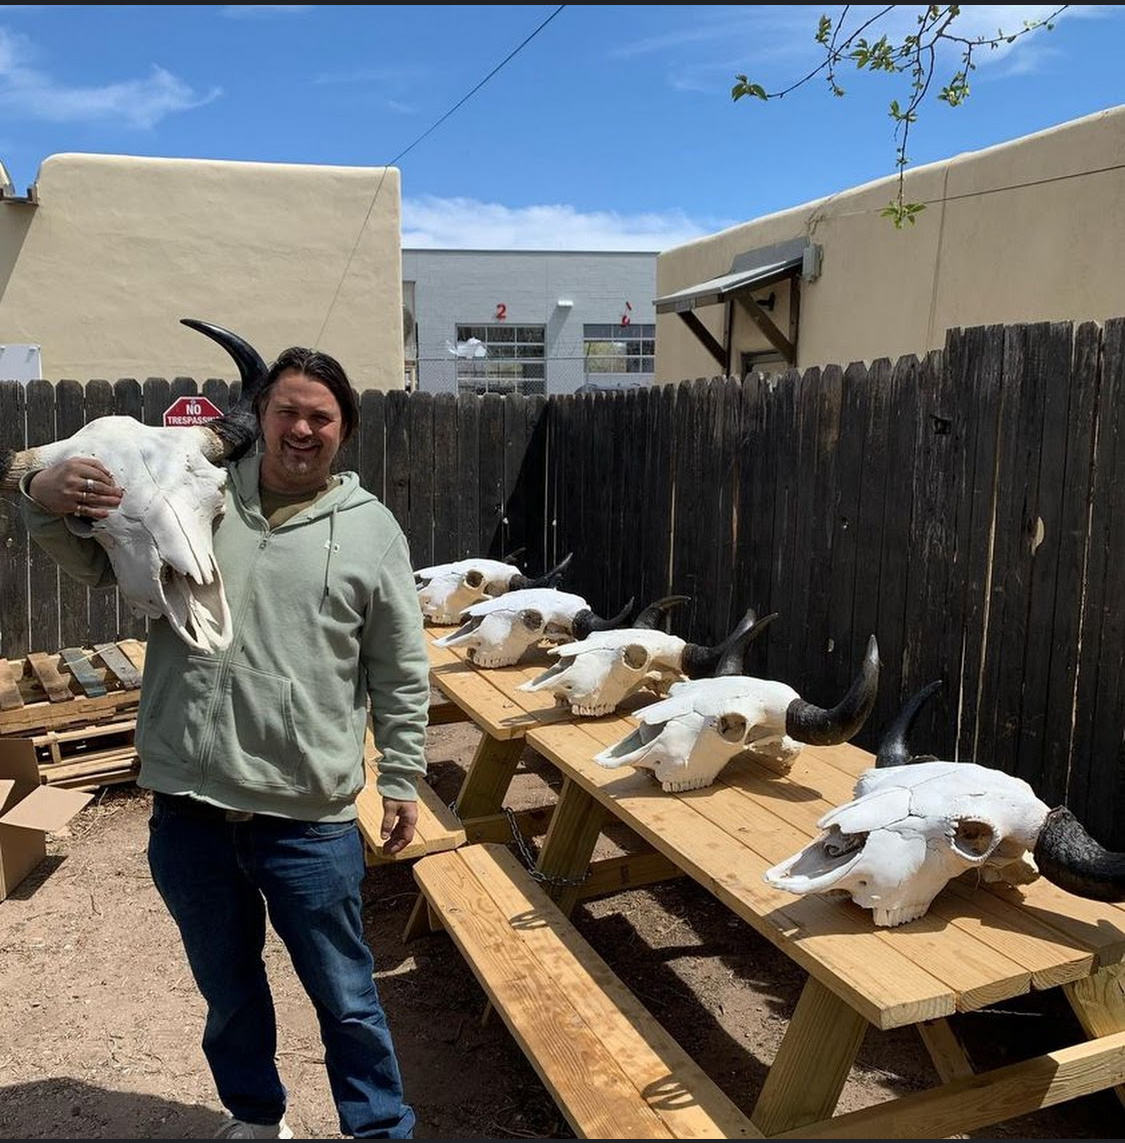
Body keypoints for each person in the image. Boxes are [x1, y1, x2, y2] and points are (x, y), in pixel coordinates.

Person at [20, 345, 430, 1140]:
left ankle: (378, 1128)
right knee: (228, 989)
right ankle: (255, 1115)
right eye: (287, 411)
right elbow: (94, 563)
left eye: (320, 416)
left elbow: (399, 665)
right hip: (190, 808)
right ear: (260, 418)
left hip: (307, 818)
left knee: (347, 996)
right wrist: (43, 497)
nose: (301, 429)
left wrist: (403, 776)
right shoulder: (190, 494)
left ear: (344, 430)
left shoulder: (371, 530)